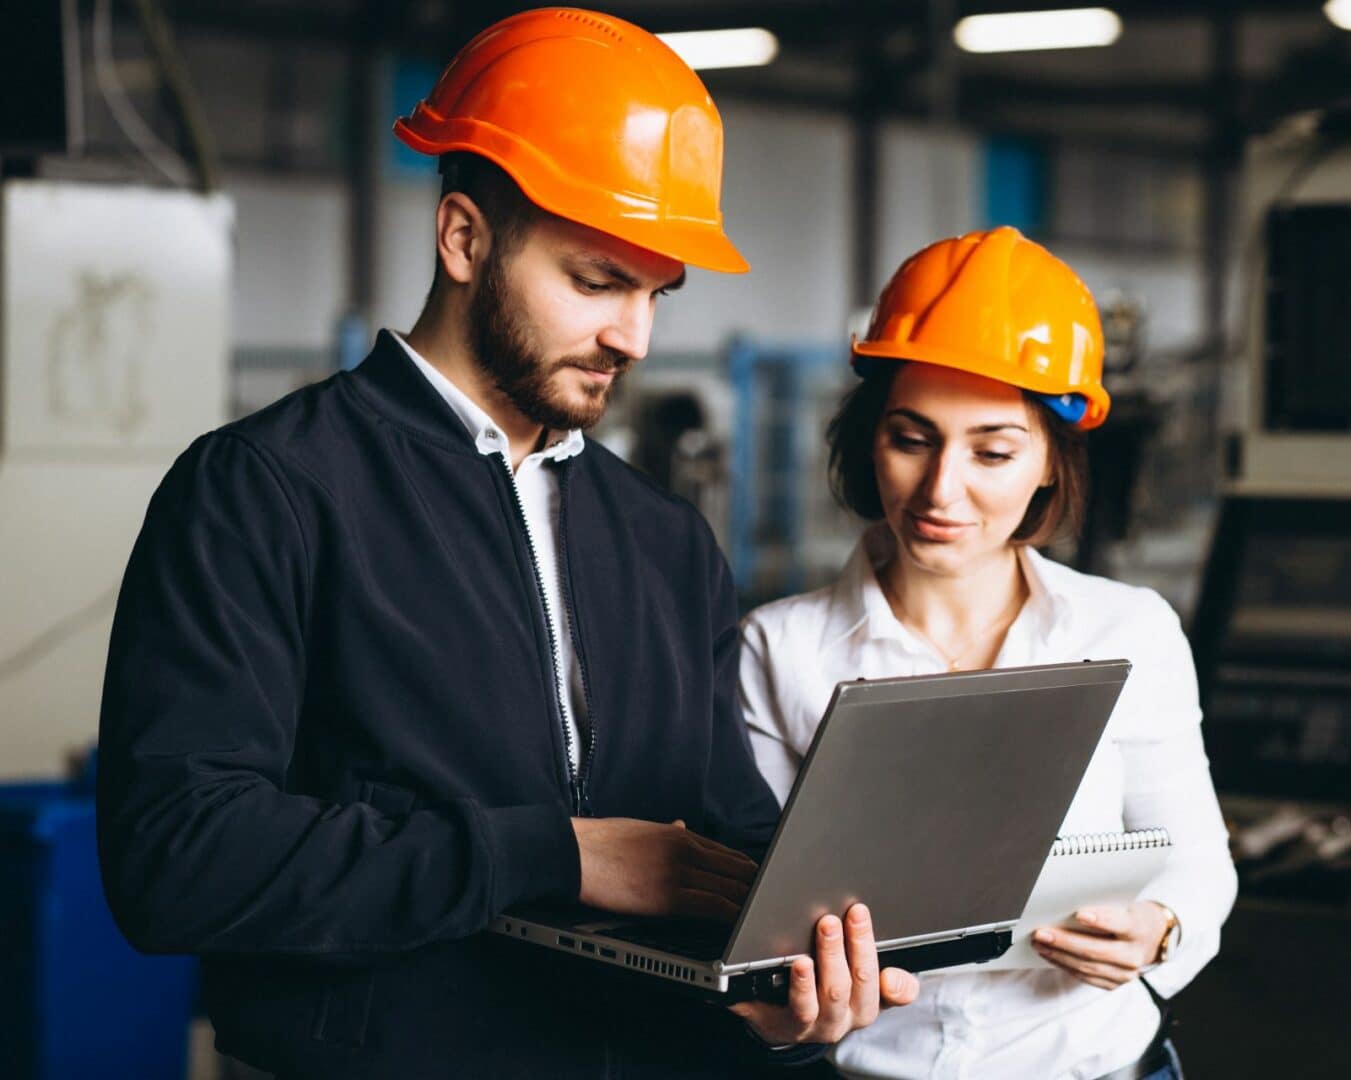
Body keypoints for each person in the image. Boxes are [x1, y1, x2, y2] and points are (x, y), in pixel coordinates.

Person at [96, 9, 915, 1077]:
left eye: (656, 292)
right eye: (595, 281)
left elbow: (724, 851)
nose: (635, 336)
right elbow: (178, 857)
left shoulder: (665, 541)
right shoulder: (267, 490)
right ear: (465, 239)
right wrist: (555, 856)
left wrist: (785, 996)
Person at [740, 227, 1238, 1079]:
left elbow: (1194, 857)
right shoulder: (781, 651)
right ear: (871, 440)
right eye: (912, 438)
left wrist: (1161, 927)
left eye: (994, 452)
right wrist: (789, 1010)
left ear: (1050, 461)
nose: (942, 491)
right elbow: (755, 924)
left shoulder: (1129, 631)